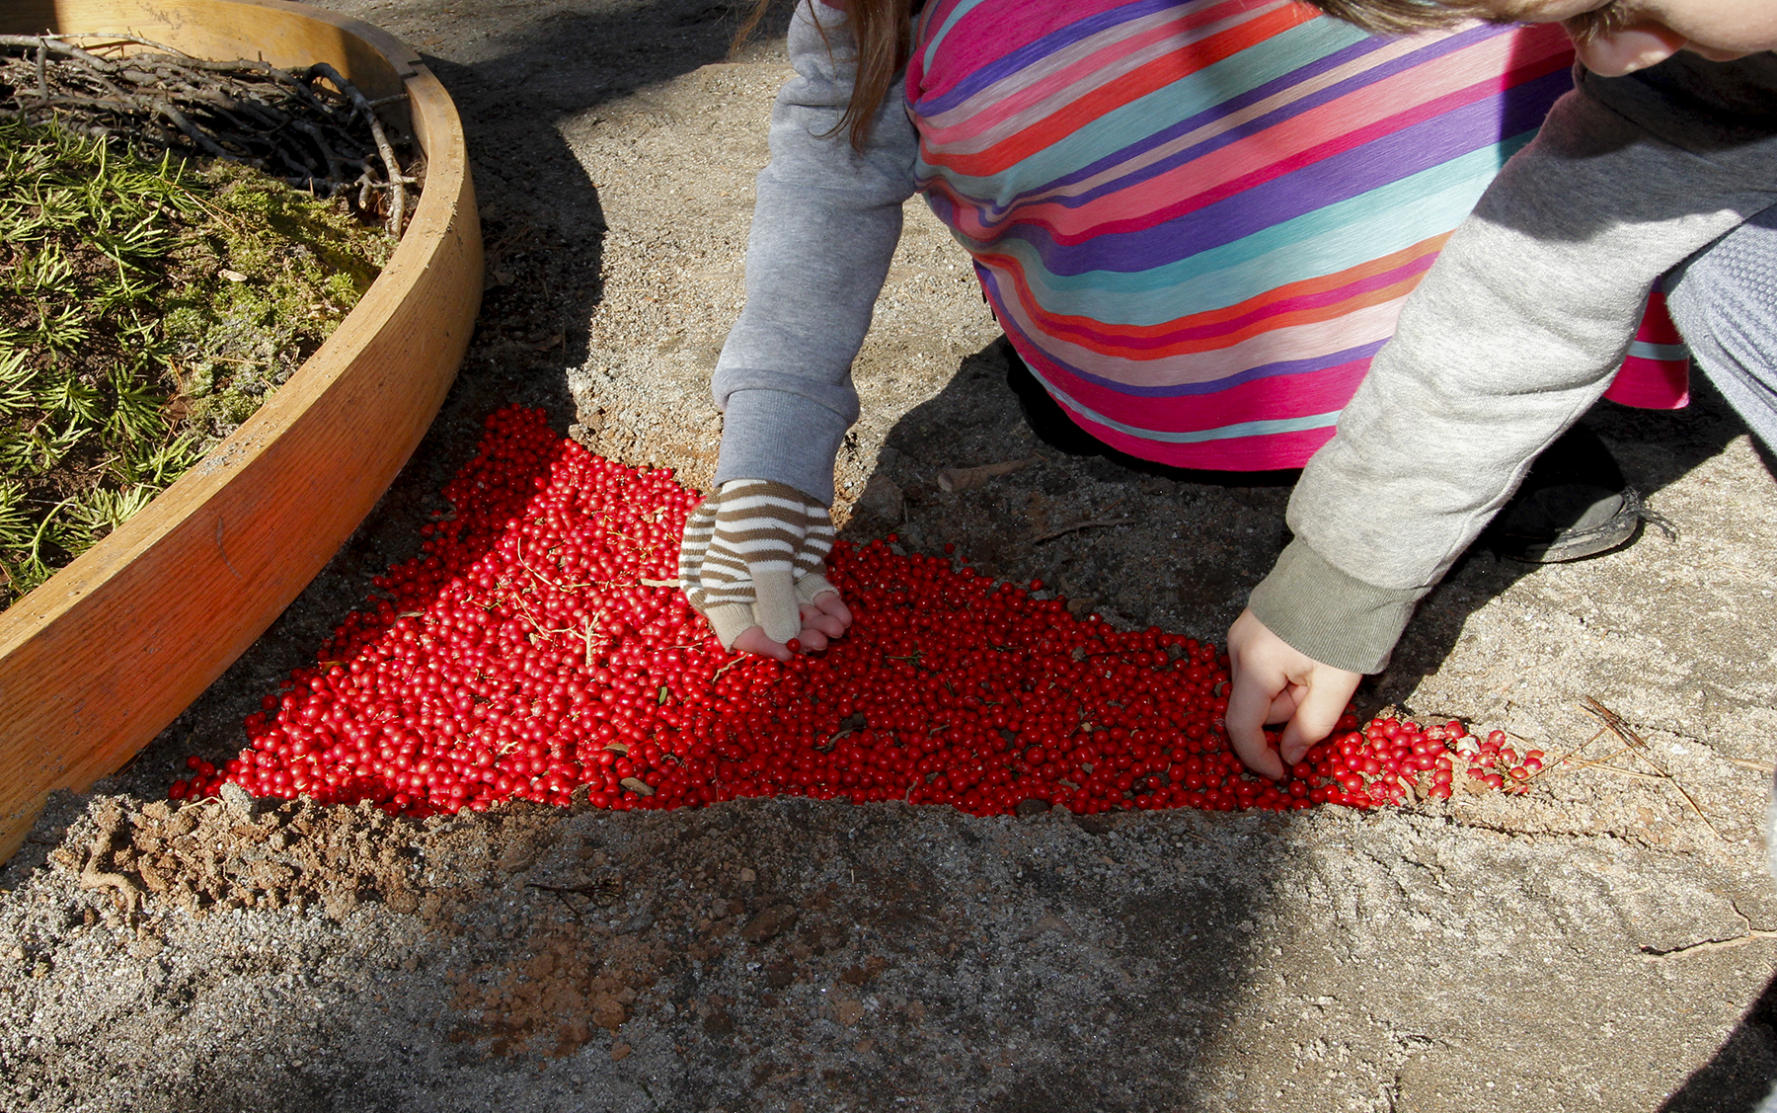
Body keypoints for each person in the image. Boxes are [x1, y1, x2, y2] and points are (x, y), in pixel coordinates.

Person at [678, 0, 1691, 659]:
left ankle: (1473, 429)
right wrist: (769, 467)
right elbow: (831, 155)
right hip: (1139, 374)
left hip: (1465, 328)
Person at [1220, 1, 1777, 781]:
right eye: (1575, 18)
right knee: (1728, 275)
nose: (1605, 59)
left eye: (1618, 2)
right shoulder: (1704, 80)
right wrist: (1335, 588)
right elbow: (1520, 304)